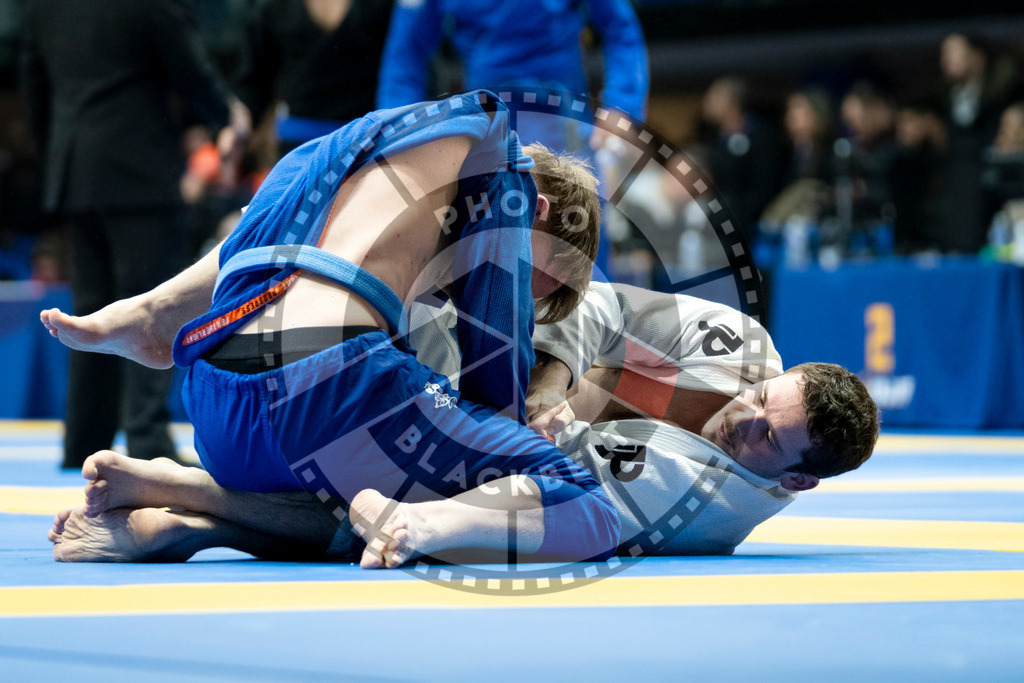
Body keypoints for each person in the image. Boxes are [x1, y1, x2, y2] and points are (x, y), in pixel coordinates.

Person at [41, 89, 621, 565]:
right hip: (329, 386)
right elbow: (495, 364)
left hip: (215, 410)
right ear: (539, 213)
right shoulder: (505, 158)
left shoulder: (345, 149)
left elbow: (252, 239)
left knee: (349, 476)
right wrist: (512, 438)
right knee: (586, 507)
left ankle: (196, 503)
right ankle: (214, 505)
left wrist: (159, 313)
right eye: (532, 282)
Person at [48, 282, 879, 566]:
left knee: (353, 518)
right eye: (765, 395)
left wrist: (549, 421)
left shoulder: (710, 509)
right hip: (509, 373)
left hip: (493, 457)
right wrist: (557, 377)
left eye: (769, 436)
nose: (746, 413)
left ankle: (191, 510)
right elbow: (596, 305)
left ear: (796, 479)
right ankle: (168, 334)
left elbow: (547, 501)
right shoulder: (739, 348)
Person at [19, 0, 250, 469]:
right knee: (150, 304)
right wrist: (227, 116)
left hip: (75, 170)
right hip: (136, 169)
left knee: (88, 309)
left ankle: (83, 438)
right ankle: (147, 437)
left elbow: (34, 86)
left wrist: (59, 156)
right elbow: (189, 68)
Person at [376, 0, 650, 279]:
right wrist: (402, 136)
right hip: (486, 121)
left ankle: (594, 318)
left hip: (558, 117)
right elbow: (406, 55)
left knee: (578, 247)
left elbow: (620, 27)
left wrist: (622, 107)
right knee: (485, 251)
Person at [233, 0, 394, 158]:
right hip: (299, 146)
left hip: (367, 141)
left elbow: (403, 73)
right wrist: (233, 131)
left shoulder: (385, 6)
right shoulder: (274, 8)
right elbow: (253, 84)